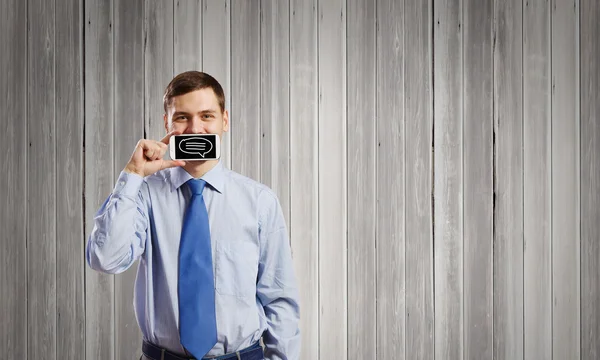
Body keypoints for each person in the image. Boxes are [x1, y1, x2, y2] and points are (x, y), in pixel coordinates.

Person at [86, 71, 300, 360]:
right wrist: (133, 175)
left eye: (207, 116)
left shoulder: (259, 201)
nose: (194, 128)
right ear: (167, 123)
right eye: (182, 117)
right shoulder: (143, 194)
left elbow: (279, 299)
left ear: (225, 121)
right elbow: (105, 258)